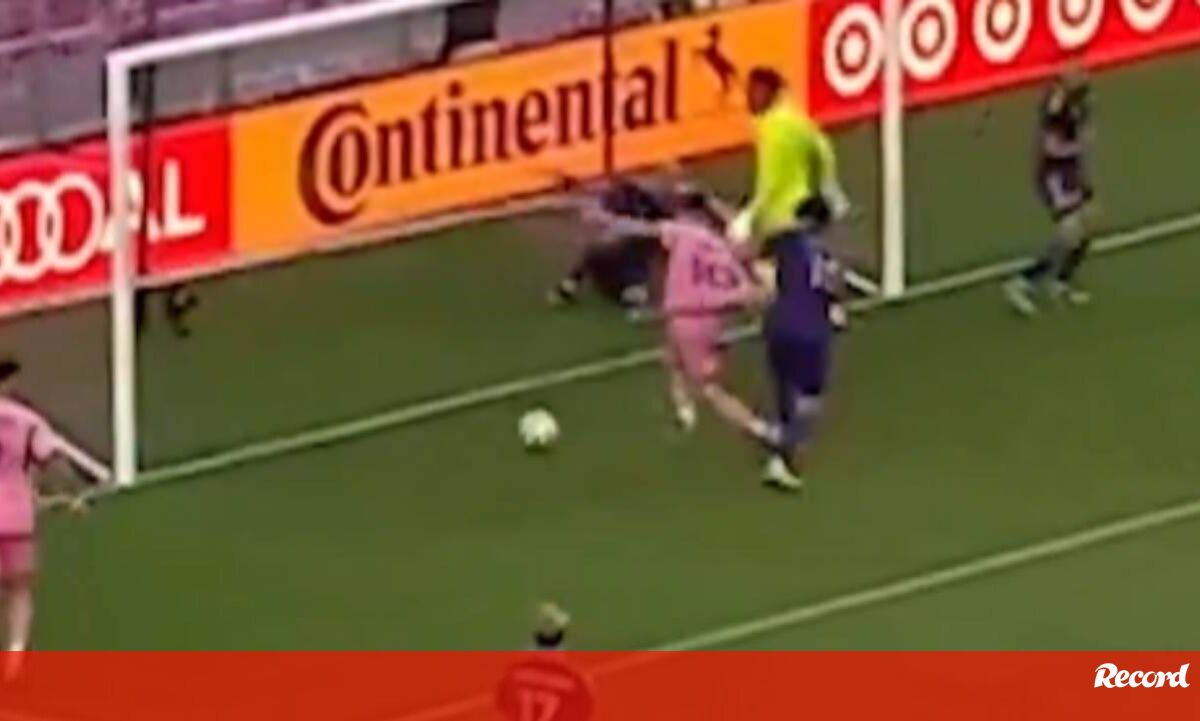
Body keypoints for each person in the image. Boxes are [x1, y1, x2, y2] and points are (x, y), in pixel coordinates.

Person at [587, 188, 775, 443]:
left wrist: (603, 219)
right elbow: (751, 296)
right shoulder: (726, 252)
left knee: (708, 388)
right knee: (672, 360)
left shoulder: (685, 232)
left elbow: (641, 229)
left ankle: (760, 429)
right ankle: (684, 412)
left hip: (689, 321)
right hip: (700, 320)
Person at [0, 358, 107, 676]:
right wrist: (74, 495)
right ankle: (15, 654)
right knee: (19, 589)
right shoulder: (27, 421)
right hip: (16, 517)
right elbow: (52, 460)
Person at [760, 197, 844, 492]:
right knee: (810, 398)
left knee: (783, 386)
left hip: (777, 325)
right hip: (810, 331)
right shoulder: (827, 256)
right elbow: (832, 293)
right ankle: (784, 458)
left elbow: (758, 257)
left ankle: (782, 433)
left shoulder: (784, 241)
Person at [1005, 66, 1095, 315]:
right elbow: (1052, 148)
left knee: (1087, 226)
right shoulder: (1056, 109)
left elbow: (1084, 138)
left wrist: (1084, 179)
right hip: (1054, 176)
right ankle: (1022, 282)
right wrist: (1078, 147)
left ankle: (1060, 282)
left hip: (1071, 172)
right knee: (1070, 231)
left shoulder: (1082, 104)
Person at [729, 67, 849, 246]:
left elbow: (771, 182)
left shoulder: (773, 127)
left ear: (771, 93)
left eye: (756, 91)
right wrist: (825, 191)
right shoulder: (796, 119)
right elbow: (823, 152)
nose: (749, 97)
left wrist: (749, 217)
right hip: (803, 216)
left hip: (784, 224)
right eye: (749, 90)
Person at [549, 176, 672, 316]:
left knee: (596, 251)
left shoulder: (603, 216)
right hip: (616, 273)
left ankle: (568, 286)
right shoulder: (642, 227)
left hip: (611, 273)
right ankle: (570, 286)